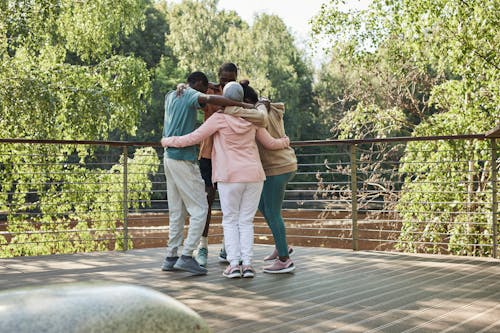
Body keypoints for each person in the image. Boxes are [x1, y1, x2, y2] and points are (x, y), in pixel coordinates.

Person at [161, 82, 290, 278]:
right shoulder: (253, 118)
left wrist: (168, 141)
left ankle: (233, 265)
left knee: (230, 221)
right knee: (246, 222)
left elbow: (193, 138)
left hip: (230, 177)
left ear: (226, 98)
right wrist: (285, 141)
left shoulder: (219, 119)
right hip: (254, 176)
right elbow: (270, 144)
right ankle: (247, 265)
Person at [160, 72, 253, 276]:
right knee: (201, 209)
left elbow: (203, 94)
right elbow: (209, 99)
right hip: (183, 158)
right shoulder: (192, 94)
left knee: (177, 210)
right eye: (204, 88)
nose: (204, 94)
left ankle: (171, 255)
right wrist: (244, 106)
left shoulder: (171, 94)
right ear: (199, 85)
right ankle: (186, 256)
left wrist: (208, 85)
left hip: (168, 157)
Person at [240, 80, 297, 274]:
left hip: (276, 166)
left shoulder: (257, 116)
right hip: (284, 163)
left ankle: (284, 260)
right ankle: (282, 245)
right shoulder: (270, 108)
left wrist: (283, 142)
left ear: (246, 101)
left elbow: (269, 143)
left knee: (273, 212)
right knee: (263, 206)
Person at [196, 63, 239, 267]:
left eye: (231, 79)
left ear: (236, 77)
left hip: (230, 155)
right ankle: (202, 246)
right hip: (208, 154)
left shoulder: (237, 92)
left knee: (230, 204)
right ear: (218, 76)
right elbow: (191, 89)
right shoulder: (209, 91)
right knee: (206, 202)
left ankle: (226, 246)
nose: (227, 82)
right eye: (223, 78)